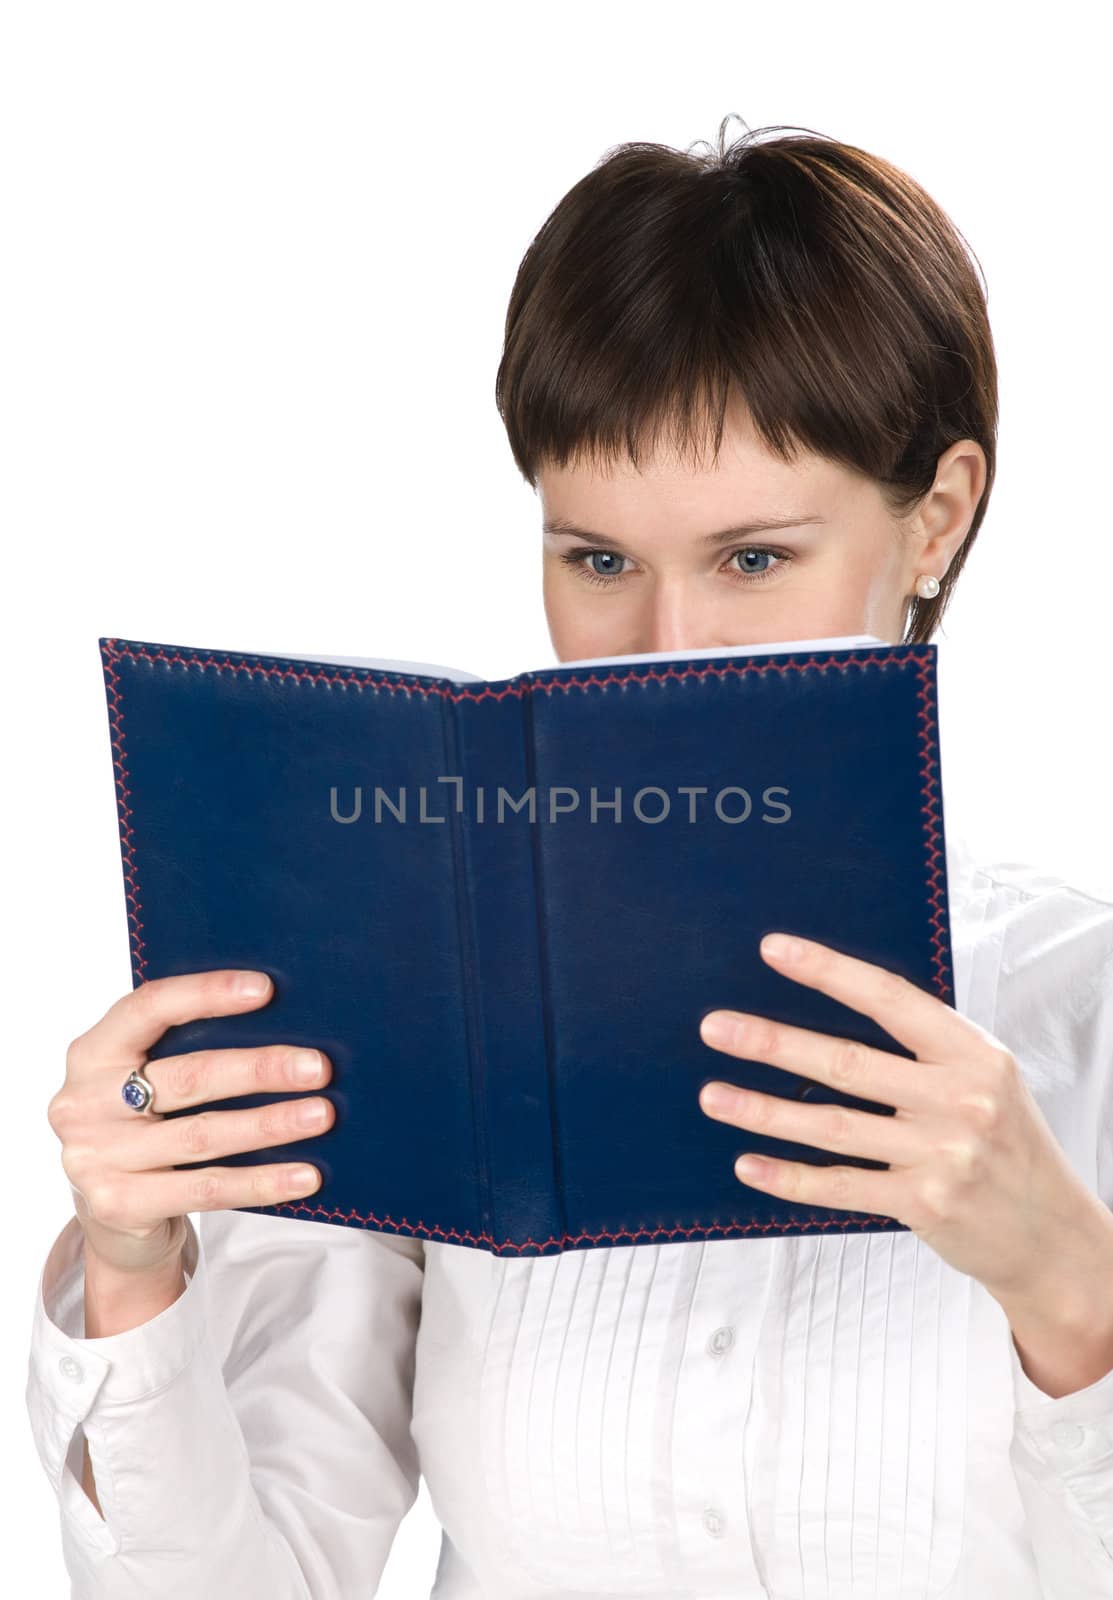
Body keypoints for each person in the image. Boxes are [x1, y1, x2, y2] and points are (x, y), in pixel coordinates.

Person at [25, 117, 1113, 1599]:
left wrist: (1068, 1285)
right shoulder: (424, 994)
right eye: (597, 559)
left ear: (937, 514)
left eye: (753, 558)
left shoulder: (1087, 1013)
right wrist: (134, 1264)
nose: (664, 648)